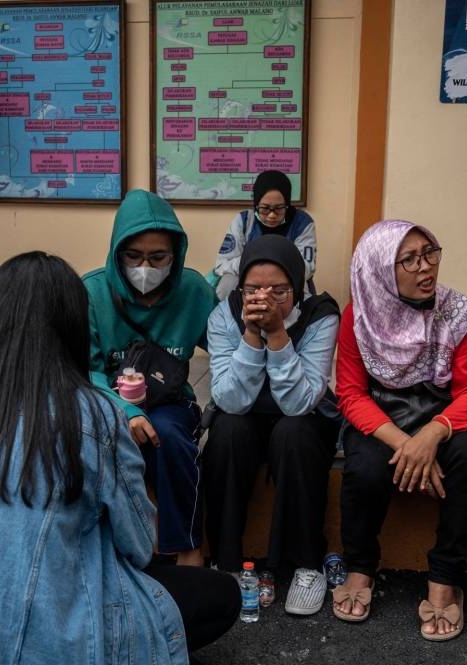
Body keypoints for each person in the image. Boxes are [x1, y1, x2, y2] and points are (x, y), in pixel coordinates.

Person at [0, 252, 240, 664]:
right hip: (43, 642)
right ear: (74, 326)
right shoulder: (92, 410)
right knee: (221, 594)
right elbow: (137, 543)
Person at [333, 220, 467, 641]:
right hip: (383, 423)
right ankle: (360, 568)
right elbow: (350, 395)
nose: (426, 267)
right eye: (409, 259)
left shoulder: (457, 313)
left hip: (445, 420)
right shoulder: (359, 315)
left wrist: (433, 433)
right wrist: (406, 444)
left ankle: (444, 579)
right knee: (365, 468)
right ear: (381, 269)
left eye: (430, 253)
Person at [202, 235, 340, 615]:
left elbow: (299, 402)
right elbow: (230, 399)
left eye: (279, 290)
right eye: (253, 289)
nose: (266, 299)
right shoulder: (223, 315)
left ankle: (305, 564)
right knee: (227, 430)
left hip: (302, 424)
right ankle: (226, 561)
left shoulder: (320, 316)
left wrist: (278, 335)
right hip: (245, 418)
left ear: (296, 285)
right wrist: (251, 335)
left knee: (292, 434)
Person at [84, 189, 216, 567]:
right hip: (106, 401)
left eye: (158, 257)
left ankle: (188, 548)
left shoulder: (194, 290)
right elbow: (86, 368)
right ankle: (106, 555)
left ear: (176, 256)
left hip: (171, 401)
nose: (145, 267)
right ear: (116, 253)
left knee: (170, 436)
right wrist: (125, 411)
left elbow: (224, 349)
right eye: (134, 256)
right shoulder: (91, 292)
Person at [211, 170, 317, 300]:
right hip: (248, 281)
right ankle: (225, 319)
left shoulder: (303, 223)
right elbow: (222, 265)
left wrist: (271, 270)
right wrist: (255, 266)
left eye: (279, 208)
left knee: (301, 288)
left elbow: (306, 269)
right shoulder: (244, 221)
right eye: (265, 208)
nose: (272, 215)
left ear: (287, 204)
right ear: (256, 205)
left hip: (286, 282)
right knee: (227, 283)